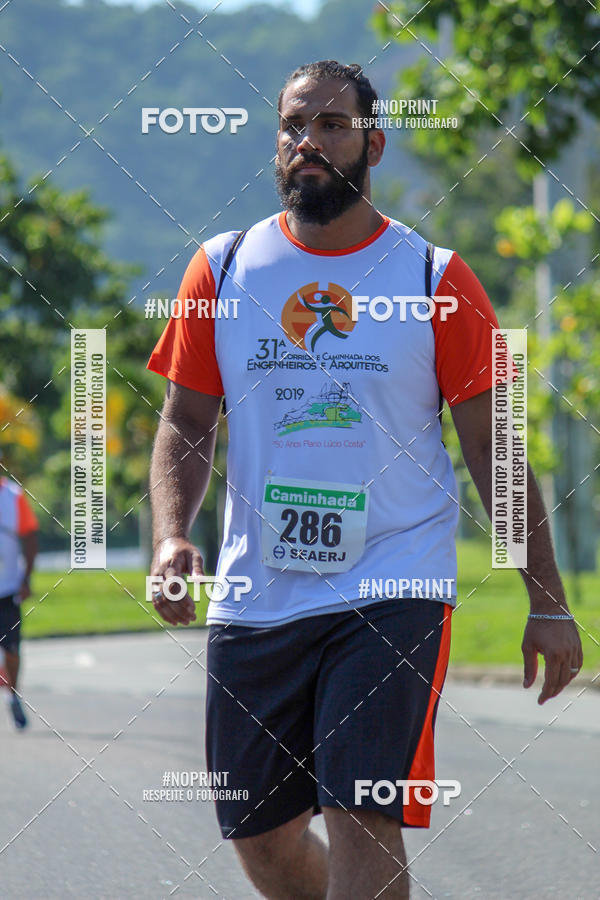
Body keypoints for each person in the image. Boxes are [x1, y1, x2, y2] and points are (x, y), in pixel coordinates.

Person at [147, 61, 583, 900]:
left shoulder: (435, 280)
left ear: (373, 145)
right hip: (257, 591)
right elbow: (187, 421)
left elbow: (492, 446)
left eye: (332, 125)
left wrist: (548, 598)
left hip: (393, 584)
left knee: (361, 809)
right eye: (293, 125)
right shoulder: (222, 269)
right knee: (260, 836)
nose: (308, 140)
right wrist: (171, 536)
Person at [0, 470, 39, 730]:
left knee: (11, 647)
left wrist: (26, 578)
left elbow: (30, 537)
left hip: (7, 588)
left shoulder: (13, 496)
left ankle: (13, 694)